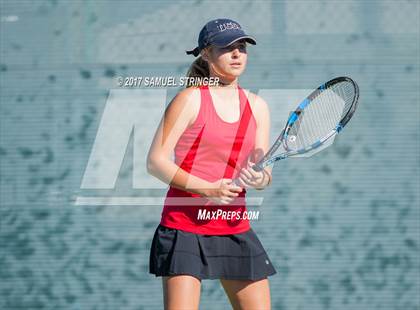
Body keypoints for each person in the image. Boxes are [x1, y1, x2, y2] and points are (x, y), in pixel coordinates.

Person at [147, 18, 276, 310]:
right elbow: (155, 162)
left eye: (241, 47)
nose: (236, 54)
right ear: (206, 54)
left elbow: (264, 169)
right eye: (226, 47)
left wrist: (262, 179)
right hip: (184, 227)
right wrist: (208, 190)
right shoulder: (189, 100)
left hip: (234, 227)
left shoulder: (258, 106)